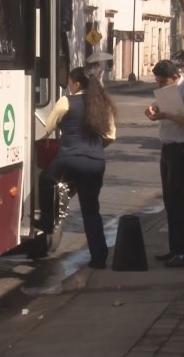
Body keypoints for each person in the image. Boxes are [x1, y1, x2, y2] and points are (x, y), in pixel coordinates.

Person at [39, 67, 117, 269]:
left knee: (46, 180)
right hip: (95, 162)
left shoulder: (66, 101)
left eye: (69, 82)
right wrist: (95, 148)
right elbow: (110, 136)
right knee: (91, 211)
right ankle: (99, 258)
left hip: (69, 160)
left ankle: (47, 223)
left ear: (77, 84)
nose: (68, 86)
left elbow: (47, 127)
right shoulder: (102, 105)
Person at [145, 60, 184, 268]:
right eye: (157, 82)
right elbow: (157, 108)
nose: (160, 85)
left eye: (163, 81)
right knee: (169, 199)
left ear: (175, 78)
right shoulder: (165, 92)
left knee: (177, 198)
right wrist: (151, 110)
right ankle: (174, 248)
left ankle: (183, 251)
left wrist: (166, 115)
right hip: (168, 147)